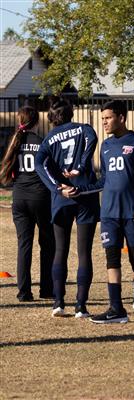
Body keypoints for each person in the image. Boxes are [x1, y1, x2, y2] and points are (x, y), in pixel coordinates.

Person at [62, 100, 134, 323]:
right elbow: (103, 180)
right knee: (112, 260)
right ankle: (116, 309)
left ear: (121, 118)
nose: (104, 122)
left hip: (133, 214)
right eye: (102, 118)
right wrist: (78, 189)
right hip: (109, 214)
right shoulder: (105, 146)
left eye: (108, 118)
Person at [34, 98, 99, 318]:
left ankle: (58, 303)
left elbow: (39, 162)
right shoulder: (84, 129)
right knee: (84, 253)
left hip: (62, 197)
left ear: (51, 117)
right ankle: (81, 306)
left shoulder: (49, 138)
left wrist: (57, 188)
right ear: (71, 113)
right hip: (85, 194)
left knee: (60, 250)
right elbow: (92, 138)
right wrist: (81, 166)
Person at [0, 106, 54, 301]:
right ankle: (47, 290)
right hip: (40, 198)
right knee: (47, 244)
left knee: (24, 245)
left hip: (20, 198)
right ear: (37, 122)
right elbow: (50, 171)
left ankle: (24, 292)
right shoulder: (42, 143)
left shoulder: (15, 142)